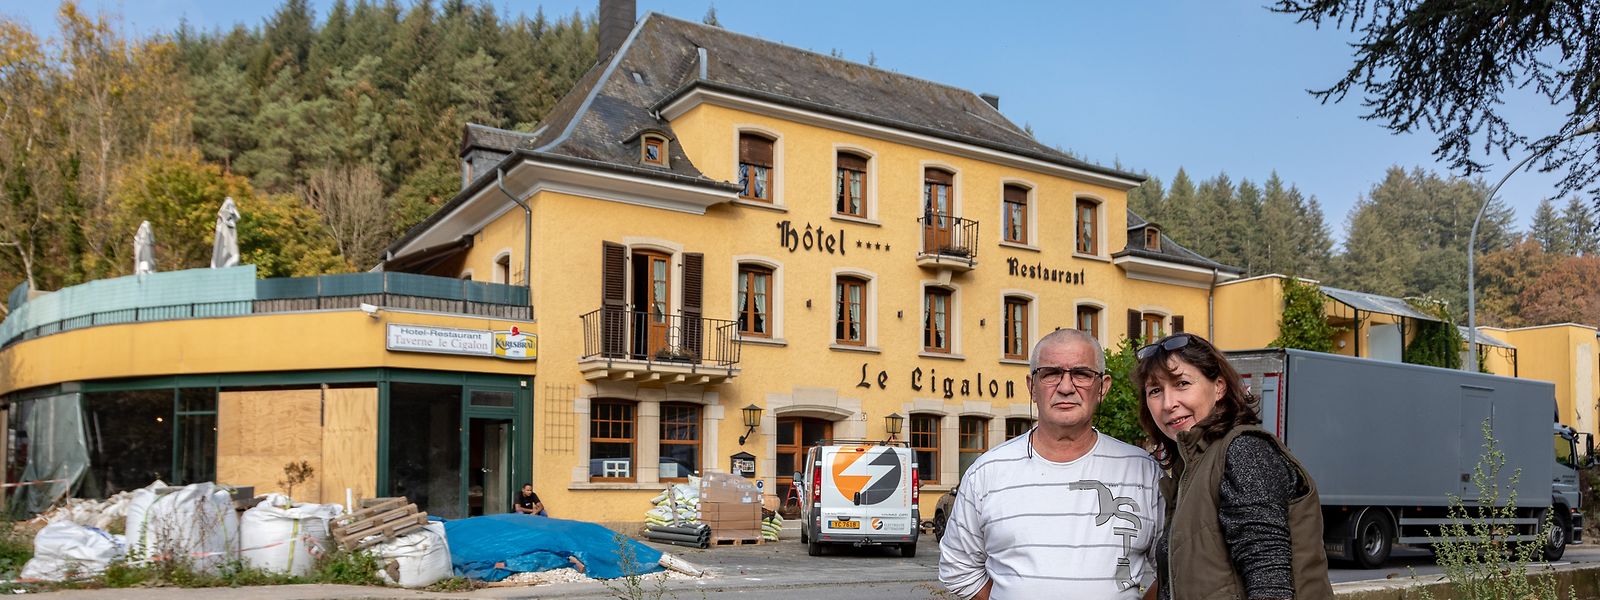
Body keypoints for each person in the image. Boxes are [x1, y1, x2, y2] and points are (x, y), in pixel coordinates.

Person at [940, 329, 1165, 600]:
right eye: (1050, 373)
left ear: (1103, 386)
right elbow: (958, 567)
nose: (1066, 387)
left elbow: (1173, 568)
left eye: (1082, 374)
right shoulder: (987, 472)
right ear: (1032, 386)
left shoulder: (1143, 471)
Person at [1133, 333, 1333, 600]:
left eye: (1182, 383)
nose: (1168, 404)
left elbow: (1270, 582)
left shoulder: (1243, 451)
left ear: (1219, 387)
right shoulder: (1192, 466)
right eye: (1155, 391)